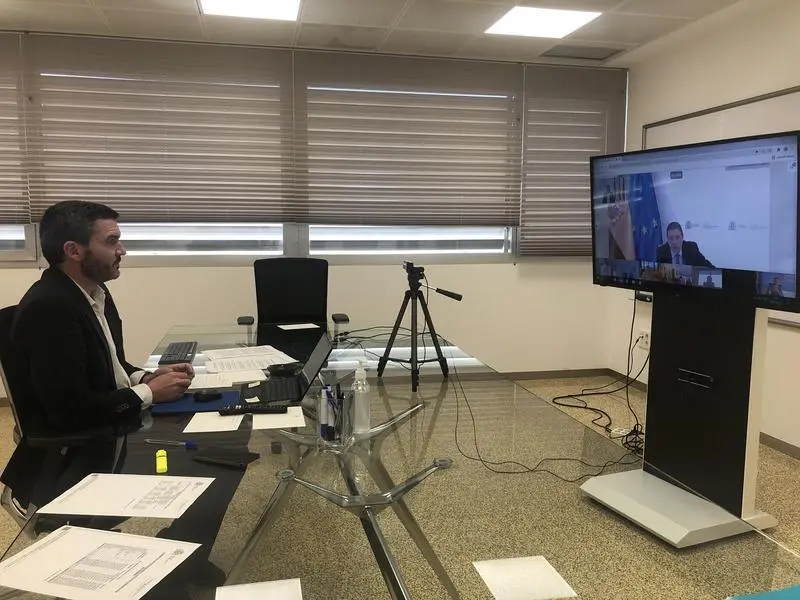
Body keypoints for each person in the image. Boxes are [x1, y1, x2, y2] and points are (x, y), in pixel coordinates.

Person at [1, 201, 193, 507]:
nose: (122, 251)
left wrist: (146, 377)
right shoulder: (50, 308)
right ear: (74, 251)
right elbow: (69, 411)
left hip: (109, 427)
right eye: (112, 242)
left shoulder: (93, 290)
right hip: (77, 454)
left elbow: (109, 361)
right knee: (193, 470)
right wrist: (149, 393)